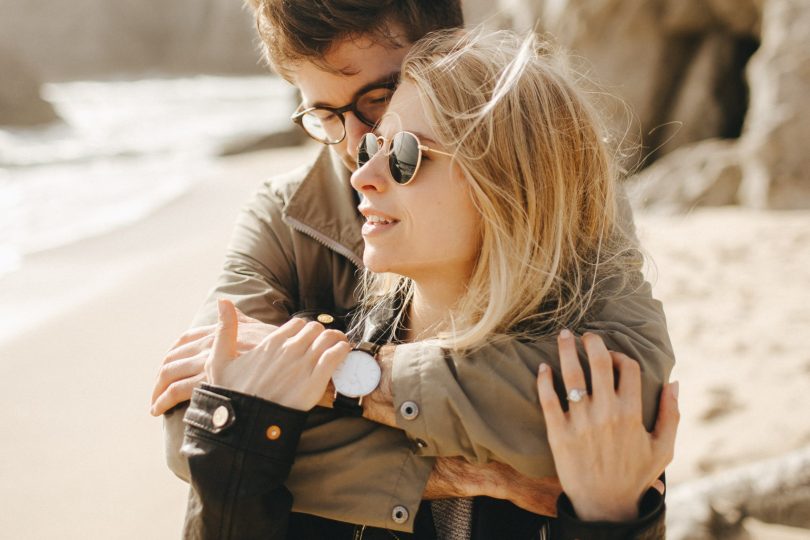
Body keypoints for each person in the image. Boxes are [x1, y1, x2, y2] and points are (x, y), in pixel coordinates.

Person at [151, 0, 675, 532]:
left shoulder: (557, 193)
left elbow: (623, 392)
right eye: (325, 116)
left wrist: (331, 376)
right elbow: (204, 429)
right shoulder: (282, 217)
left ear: (448, 54)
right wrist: (472, 475)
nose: (356, 152)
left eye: (378, 99)